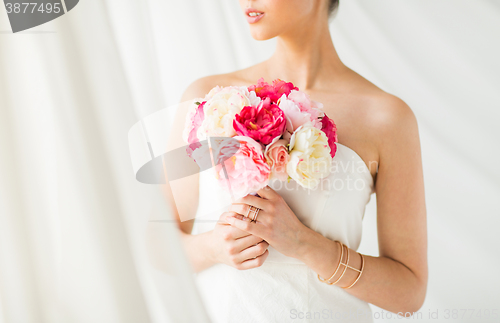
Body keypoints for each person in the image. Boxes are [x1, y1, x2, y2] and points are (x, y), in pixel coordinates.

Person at [151, 0, 427, 322]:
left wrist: (305, 244)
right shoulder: (209, 101)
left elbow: (409, 292)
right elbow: (157, 245)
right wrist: (213, 247)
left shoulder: (387, 119)